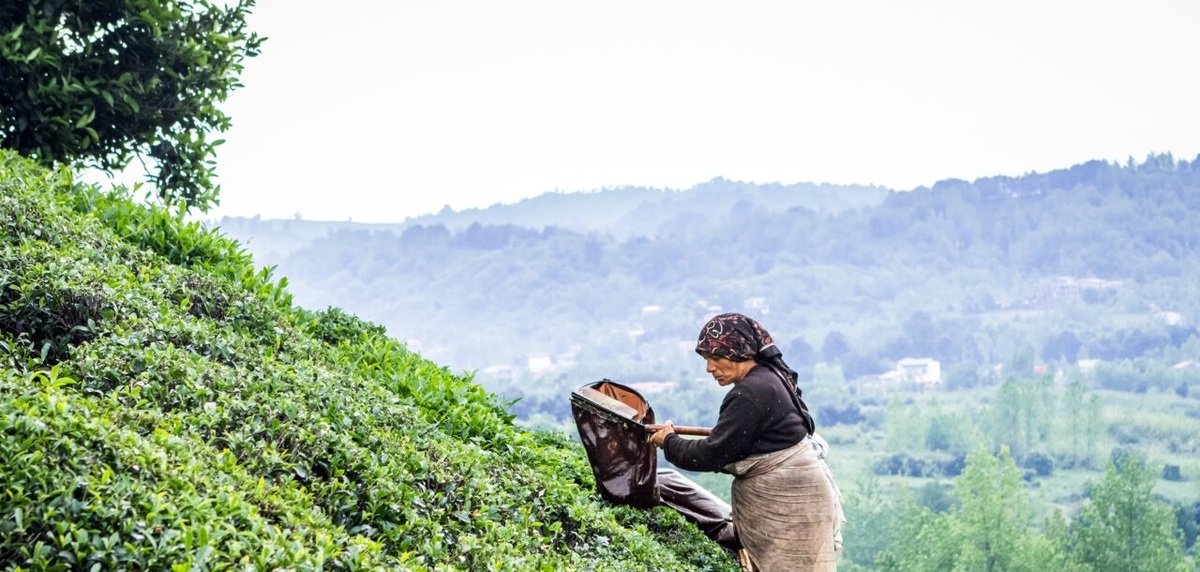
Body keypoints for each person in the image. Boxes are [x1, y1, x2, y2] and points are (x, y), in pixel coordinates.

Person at [649, 313, 844, 571]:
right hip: (801, 497)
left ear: (739, 352)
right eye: (707, 360)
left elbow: (712, 454)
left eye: (716, 358)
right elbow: (740, 442)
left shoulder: (749, 393)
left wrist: (669, 441)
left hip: (792, 507)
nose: (710, 368)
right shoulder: (768, 377)